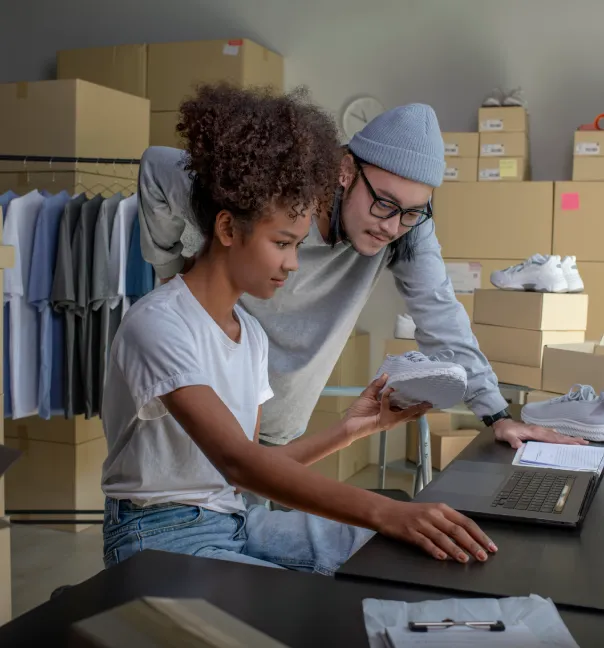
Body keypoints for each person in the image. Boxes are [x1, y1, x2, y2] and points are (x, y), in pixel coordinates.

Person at [102, 84, 496, 572]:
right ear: (227, 230)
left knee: (393, 555)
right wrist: (387, 510)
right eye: (285, 243)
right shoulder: (158, 325)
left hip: (233, 518)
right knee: (320, 604)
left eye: (297, 244)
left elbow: (244, 476)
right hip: (159, 533)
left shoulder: (250, 337)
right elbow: (239, 463)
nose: (294, 265)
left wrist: (351, 430)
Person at [138, 97, 587, 452]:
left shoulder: (405, 229)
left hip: (276, 426)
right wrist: (171, 273)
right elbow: (158, 167)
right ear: (345, 170)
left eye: (412, 213)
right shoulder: (271, 193)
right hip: (195, 406)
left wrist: (496, 414)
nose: (392, 226)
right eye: (384, 203)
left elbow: (442, 318)